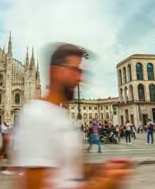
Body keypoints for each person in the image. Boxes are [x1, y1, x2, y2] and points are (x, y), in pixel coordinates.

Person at [14, 43, 134, 188]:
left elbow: (73, 172)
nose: (80, 78)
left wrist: (104, 170)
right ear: (55, 71)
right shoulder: (37, 115)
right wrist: (104, 184)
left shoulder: (63, 115)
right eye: (75, 70)